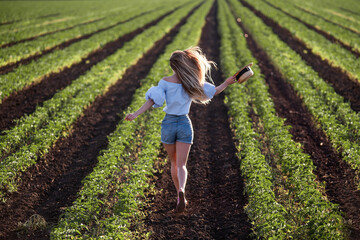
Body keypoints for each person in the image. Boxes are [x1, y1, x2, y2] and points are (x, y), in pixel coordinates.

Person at [125, 46, 237, 213]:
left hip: (168, 124)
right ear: (184, 64)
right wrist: (227, 82)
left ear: (172, 66)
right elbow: (214, 91)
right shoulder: (191, 82)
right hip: (184, 124)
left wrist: (135, 114)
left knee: (173, 162)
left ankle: (178, 196)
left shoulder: (164, 82)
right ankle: (182, 190)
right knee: (181, 165)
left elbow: (152, 100)